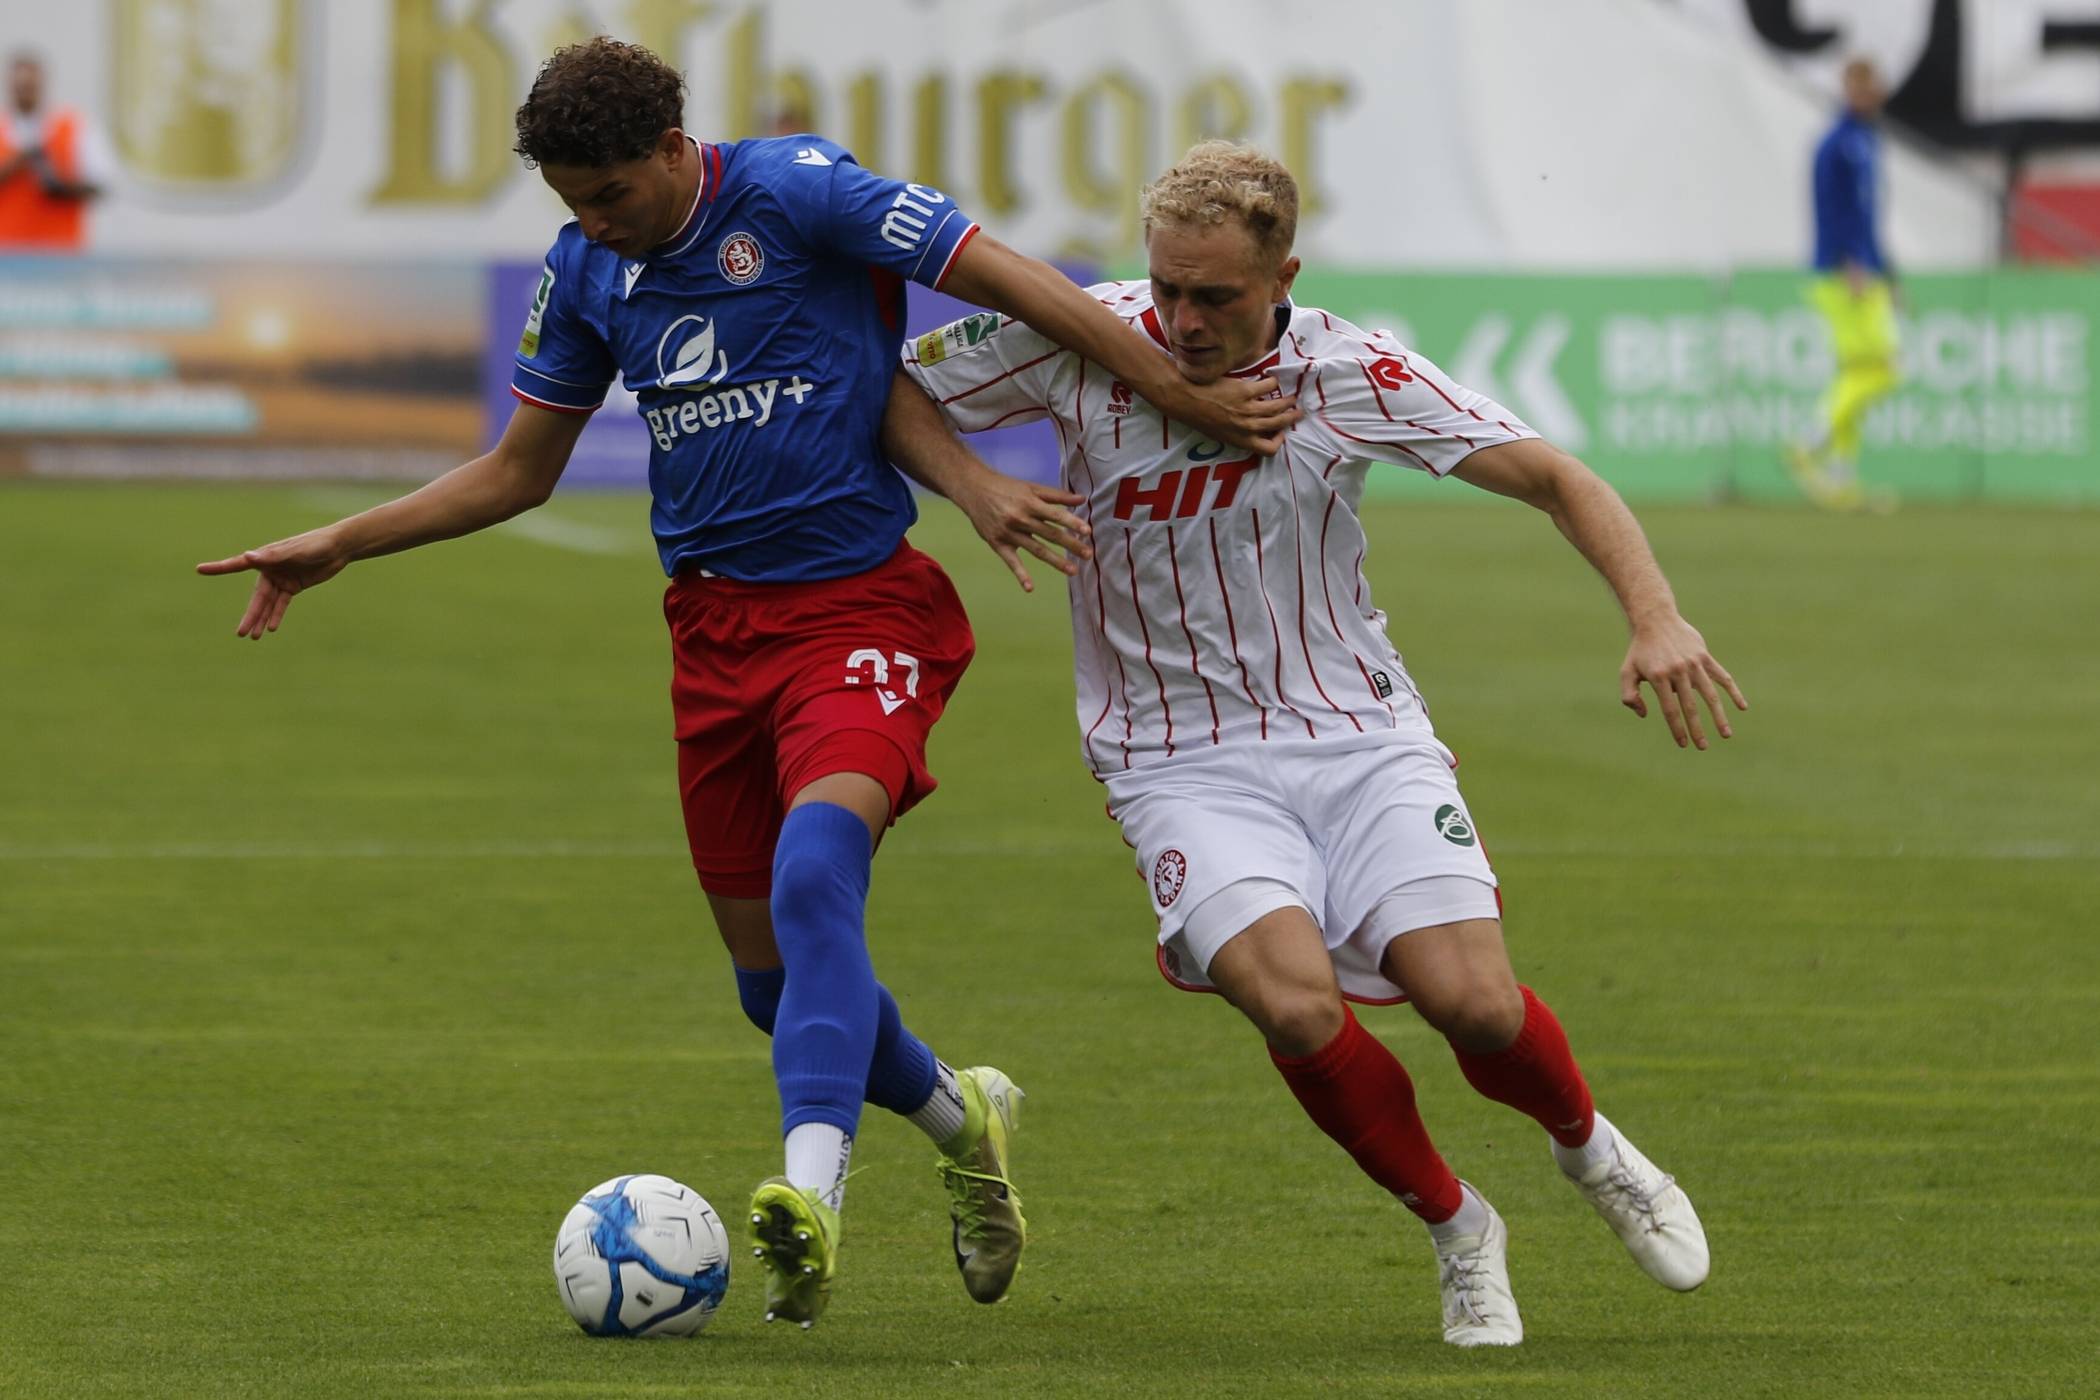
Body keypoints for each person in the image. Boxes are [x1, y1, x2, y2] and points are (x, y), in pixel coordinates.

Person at [196, 39, 1291, 1330]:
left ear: (673, 151)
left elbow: (1010, 277)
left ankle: (809, 1198)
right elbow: (518, 472)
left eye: (611, 195)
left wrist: (1170, 389)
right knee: (771, 989)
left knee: (815, 874)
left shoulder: (801, 191)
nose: (596, 223)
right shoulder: (586, 269)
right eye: (572, 204)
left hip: (862, 611)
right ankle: (962, 1116)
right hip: (714, 637)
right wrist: (341, 542)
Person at [888, 141, 1746, 1348]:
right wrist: (975, 483)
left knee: (1475, 1005)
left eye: (1215, 296)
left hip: (1358, 733)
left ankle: (1591, 1148)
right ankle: (1458, 1224)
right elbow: (885, 382)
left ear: (1283, 276)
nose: (1182, 320)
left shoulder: (1348, 370)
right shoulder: (1083, 334)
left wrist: (1656, 617)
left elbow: (1558, 476)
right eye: (1167, 287)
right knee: (1294, 1008)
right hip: (1174, 756)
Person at [1788, 58, 1900, 512]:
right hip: (1844, 272)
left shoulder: (1866, 140)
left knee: (1855, 374)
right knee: (1883, 368)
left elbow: (1870, 215)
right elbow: (1834, 210)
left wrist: (1887, 271)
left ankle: (1840, 477)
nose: (1870, 95)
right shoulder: (1837, 143)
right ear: (1849, 89)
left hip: (1865, 268)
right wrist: (1850, 260)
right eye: (1862, 87)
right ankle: (1810, 441)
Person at [0, 50, 113, 251]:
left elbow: (100, 185)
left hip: (61, 254)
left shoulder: (74, 128)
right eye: (20, 86)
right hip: (6, 253)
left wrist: (60, 186)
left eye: (30, 86)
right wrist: (15, 165)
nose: (25, 92)